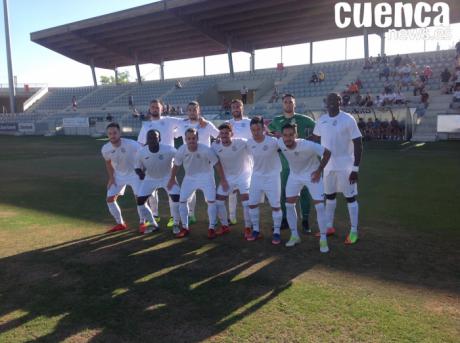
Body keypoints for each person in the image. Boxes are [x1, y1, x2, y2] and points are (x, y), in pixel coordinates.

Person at [311, 93, 363, 245]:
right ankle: (328, 227)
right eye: (329, 100)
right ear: (325, 102)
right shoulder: (321, 120)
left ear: (340, 102)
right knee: (330, 197)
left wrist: (355, 169)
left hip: (346, 166)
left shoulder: (348, 119)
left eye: (335, 100)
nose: (332, 102)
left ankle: (354, 231)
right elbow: (314, 141)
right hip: (327, 167)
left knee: (350, 198)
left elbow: (358, 144)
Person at [279, 123, 332, 252]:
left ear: (296, 135)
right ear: (282, 136)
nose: (288, 138)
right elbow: (268, 138)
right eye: (285, 135)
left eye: (291, 135)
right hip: (295, 176)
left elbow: (327, 153)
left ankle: (323, 239)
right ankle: (294, 236)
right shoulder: (280, 143)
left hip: (312, 175)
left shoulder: (308, 145)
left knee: (319, 206)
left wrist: (319, 171)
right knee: (289, 205)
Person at [168, 128, 228, 239]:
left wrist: (223, 180)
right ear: (185, 139)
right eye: (189, 138)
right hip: (189, 178)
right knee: (182, 201)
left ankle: (211, 227)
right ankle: (185, 227)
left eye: (193, 138)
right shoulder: (181, 150)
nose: (191, 140)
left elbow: (217, 164)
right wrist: (171, 180)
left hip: (206, 177)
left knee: (211, 201)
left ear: (197, 138)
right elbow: (176, 165)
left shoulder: (206, 150)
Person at [268, 94, 315, 233]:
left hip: (304, 162)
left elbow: (317, 130)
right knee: (284, 192)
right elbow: (268, 131)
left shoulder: (304, 119)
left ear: (294, 104)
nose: (288, 104)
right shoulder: (277, 120)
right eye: (286, 102)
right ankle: (285, 220)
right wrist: (275, 136)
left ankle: (305, 221)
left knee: (305, 192)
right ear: (283, 104)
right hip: (285, 163)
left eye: (290, 102)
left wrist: (309, 140)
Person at [137, 99, 184, 228]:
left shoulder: (169, 120)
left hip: (168, 160)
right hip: (151, 160)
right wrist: (141, 164)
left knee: (172, 190)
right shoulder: (146, 126)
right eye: (152, 107)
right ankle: (155, 214)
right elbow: (140, 144)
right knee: (151, 191)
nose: (155, 109)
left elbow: (186, 123)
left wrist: (177, 133)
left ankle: (174, 218)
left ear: (162, 108)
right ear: (149, 109)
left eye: (157, 107)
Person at [176, 101, 219, 224]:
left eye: (194, 110)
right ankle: (191, 214)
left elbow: (218, 135)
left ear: (198, 111)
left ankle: (212, 222)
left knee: (209, 196)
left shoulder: (206, 124)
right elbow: (173, 135)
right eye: (189, 110)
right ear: (187, 112)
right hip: (189, 162)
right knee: (190, 190)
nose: (192, 112)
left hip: (206, 163)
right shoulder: (183, 125)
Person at [135, 129, 181, 234]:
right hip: (150, 179)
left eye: (155, 137)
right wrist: (140, 173)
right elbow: (137, 167)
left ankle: (176, 223)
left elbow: (180, 157)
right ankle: (152, 224)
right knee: (140, 201)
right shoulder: (141, 152)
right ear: (147, 139)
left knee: (176, 198)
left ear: (159, 138)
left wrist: (173, 175)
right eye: (150, 137)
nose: (152, 139)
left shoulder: (169, 149)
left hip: (168, 178)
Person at [212, 123, 253, 238]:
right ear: (219, 135)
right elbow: (216, 163)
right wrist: (223, 180)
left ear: (232, 134)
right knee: (219, 201)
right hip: (228, 177)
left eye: (227, 133)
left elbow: (255, 144)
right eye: (222, 133)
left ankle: (248, 228)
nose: (224, 135)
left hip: (244, 176)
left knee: (246, 202)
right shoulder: (215, 146)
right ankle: (225, 226)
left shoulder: (241, 142)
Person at [246, 116, 282, 244]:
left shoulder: (273, 141)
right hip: (256, 177)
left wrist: (281, 136)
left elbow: (288, 145)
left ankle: (277, 232)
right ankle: (256, 230)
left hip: (272, 177)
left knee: (276, 206)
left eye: (258, 129)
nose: (255, 132)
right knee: (252, 204)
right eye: (253, 130)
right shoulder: (249, 143)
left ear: (263, 129)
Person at [101, 122, 143, 233]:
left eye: (115, 133)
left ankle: (143, 223)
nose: (112, 135)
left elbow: (144, 152)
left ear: (120, 133)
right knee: (110, 199)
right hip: (118, 176)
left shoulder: (132, 144)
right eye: (110, 133)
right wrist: (111, 178)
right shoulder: (105, 148)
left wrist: (142, 170)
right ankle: (120, 223)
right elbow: (108, 163)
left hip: (134, 175)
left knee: (140, 199)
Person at [227, 99, 252, 225]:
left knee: (246, 192)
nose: (236, 109)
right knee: (231, 191)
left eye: (238, 106)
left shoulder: (249, 122)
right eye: (233, 107)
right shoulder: (227, 123)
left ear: (242, 108)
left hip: (247, 161)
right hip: (231, 162)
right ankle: (232, 217)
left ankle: (249, 220)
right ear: (231, 110)